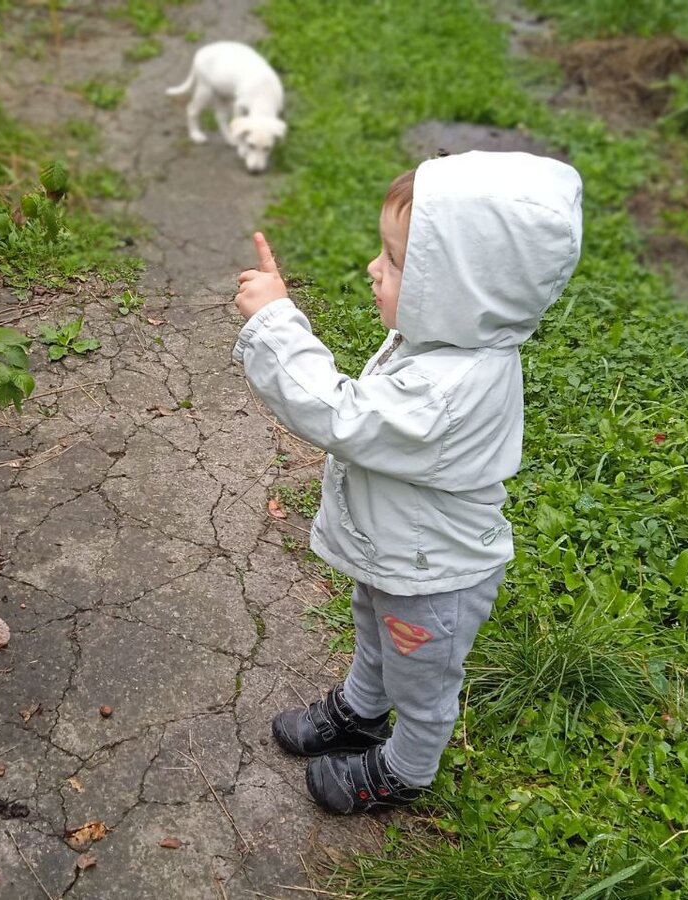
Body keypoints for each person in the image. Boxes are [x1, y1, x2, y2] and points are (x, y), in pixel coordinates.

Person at [231, 151, 583, 814]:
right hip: (400, 556)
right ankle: (363, 709)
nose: (374, 268)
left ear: (457, 289)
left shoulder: (449, 387)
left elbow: (340, 414)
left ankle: (406, 767)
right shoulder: (446, 342)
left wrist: (277, 321)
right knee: (373, 625)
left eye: (394, 263)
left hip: (435, 580)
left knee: (422, 681)